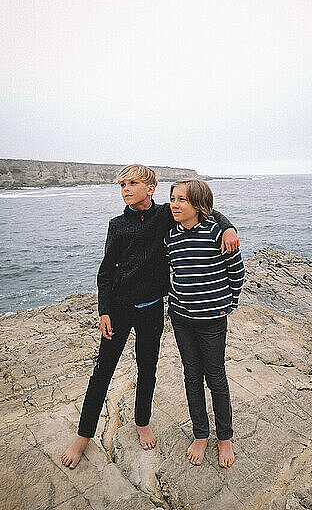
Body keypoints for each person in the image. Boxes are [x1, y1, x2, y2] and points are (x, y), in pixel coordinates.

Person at [61, 164, 239, 469]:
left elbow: (205, 209)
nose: (126, 189)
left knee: (147, 370)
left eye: (132, 183)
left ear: (151, 188)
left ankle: (142, 422)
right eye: (121, 185)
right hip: (118, 310)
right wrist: (104, 310)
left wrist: (228, 226)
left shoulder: (165, 215)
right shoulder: (117, 224)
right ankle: (83, 436)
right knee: (102, 373)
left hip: (153, 309)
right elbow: (106, 272)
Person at [165, 179, 245, 468]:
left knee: (216, 378)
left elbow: (237, 272)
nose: (174, 204)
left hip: (212, 320)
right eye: (172, 198)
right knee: (191, 376)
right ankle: (201, 434)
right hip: (181, 317)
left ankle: (225, 438)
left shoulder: (218, 234)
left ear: (197, 205)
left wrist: (229, 304)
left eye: (181, 200)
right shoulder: (170, 235)